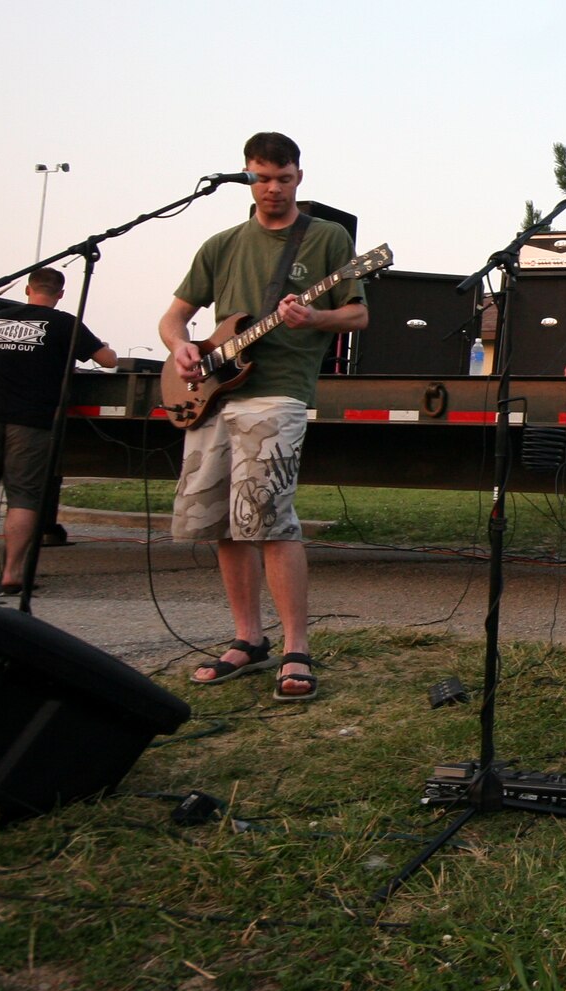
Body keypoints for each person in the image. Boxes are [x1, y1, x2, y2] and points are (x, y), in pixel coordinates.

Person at [160, 132, 367, 701]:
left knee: (270, 518)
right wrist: (183, 347)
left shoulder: (326, 238)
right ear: (247, 177)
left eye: (284, 178)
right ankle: (248, 639)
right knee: (225, 520)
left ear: (299, 176)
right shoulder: (222, 244)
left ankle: (296, 647)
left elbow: (356, 314)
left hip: (277, 394)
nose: (273, 189)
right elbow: (175, 318)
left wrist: (312, 320)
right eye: (261, 178)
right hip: (213, 395)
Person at [0, 267, 117, 593]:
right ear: (60, 294)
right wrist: (100, 345)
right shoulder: (65, 323)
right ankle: (12, 574)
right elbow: (108, 360)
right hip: (30, 421)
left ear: (28, 289)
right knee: (23, 498)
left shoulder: (0, 318)